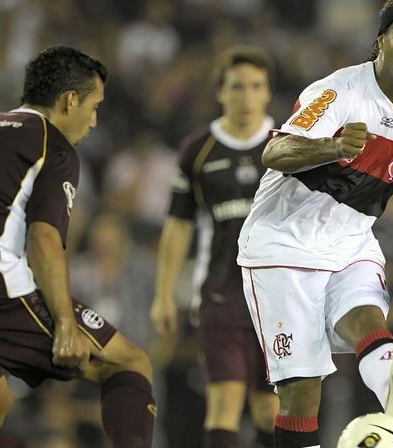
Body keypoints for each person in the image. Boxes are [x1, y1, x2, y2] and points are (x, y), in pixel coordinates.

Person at [0, 46, 156, 448]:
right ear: (71, 100)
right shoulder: (50, 143)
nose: (94, 120)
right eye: (94, 105)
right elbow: (44, 238)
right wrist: (66, 325)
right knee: (128, 362)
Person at [236, 1, 393, 447]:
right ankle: (392, 420)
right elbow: (274, 153)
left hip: (351, 243)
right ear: (380, 42)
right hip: (282, 248)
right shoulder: (336, 92)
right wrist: (332, 147)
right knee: (301, 392)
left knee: (370, 322)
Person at [151, 46, 279, 448]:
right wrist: (163, 295)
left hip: (278, 297)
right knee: (224, 401)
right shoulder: (198, 150)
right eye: (237, 87)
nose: (247, 96)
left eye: (256, 86)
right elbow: (177, 226)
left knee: (270, 411)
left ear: (267, 93)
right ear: (220, 93)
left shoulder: (287, 146)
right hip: (219, 293)